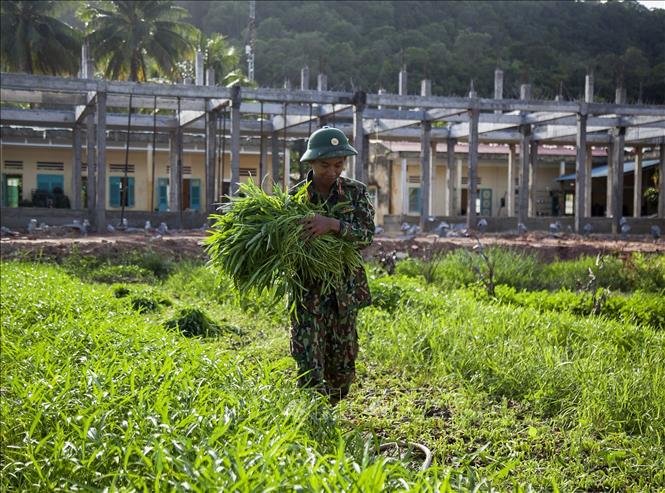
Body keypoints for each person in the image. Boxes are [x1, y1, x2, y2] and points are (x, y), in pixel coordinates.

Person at [289, 126, 375, 405]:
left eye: (338, 164)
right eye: (325, 164)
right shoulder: (294, 199)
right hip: (308, 292)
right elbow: (283, 246)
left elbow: (366, 236)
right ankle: (313, 416)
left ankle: (333, 407)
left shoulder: (356, 193)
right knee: (308, 359)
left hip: (344, 292)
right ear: (311, 163)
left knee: (342, 365)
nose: (332, 171)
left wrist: (334, 225)